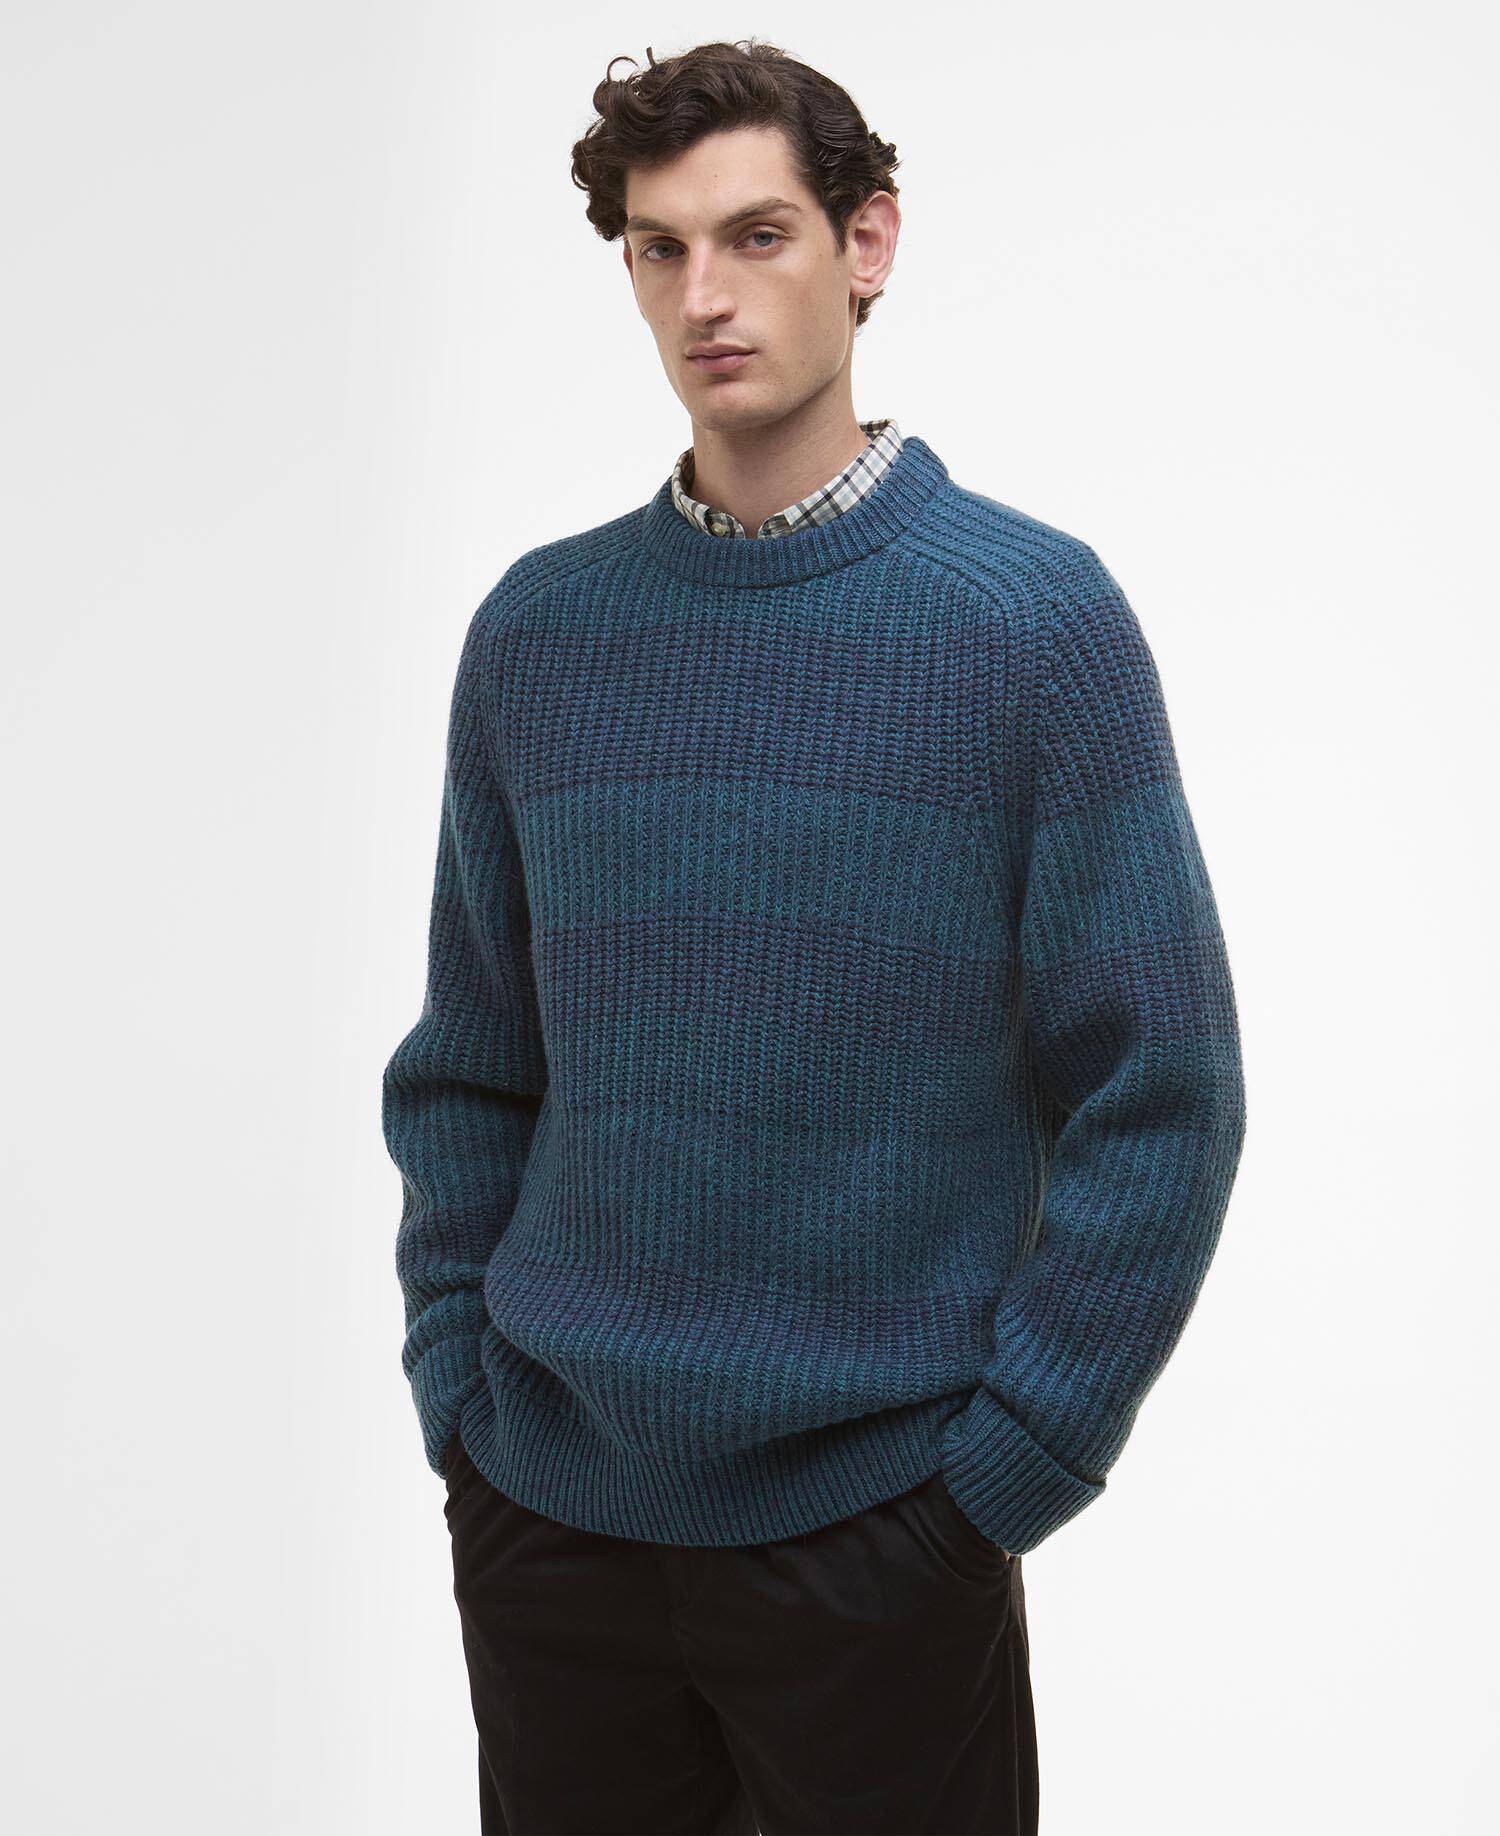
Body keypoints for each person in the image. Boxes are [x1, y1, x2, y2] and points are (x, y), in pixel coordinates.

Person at [381, 37, 1246, 1836]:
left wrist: (1006, 1471)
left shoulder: (1031, 626)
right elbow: (471, 1063)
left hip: (879, 1538)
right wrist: (461, 1401)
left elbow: (1162, 1086)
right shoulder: (539, 635)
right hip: (552, 1524)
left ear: (869, 243)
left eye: (757, 235)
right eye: (660, 248)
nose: (706, 295)